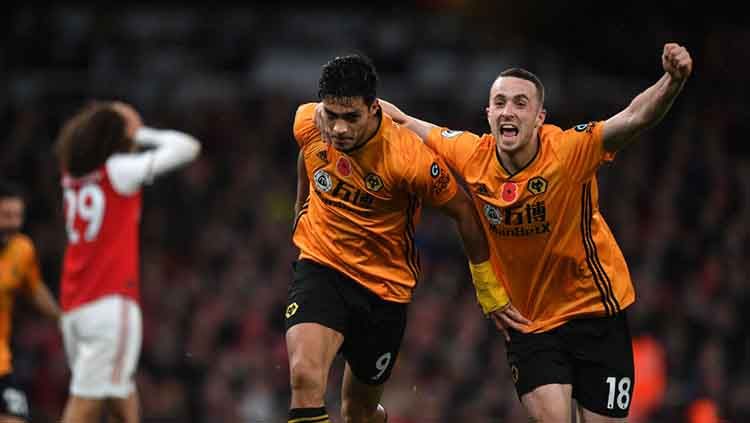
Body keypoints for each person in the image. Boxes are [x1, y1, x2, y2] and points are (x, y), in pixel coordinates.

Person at [378, 43, 692, 422]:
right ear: (489, 113)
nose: (509, 110)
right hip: (531, 324)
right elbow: (407, 122)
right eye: (500, 102)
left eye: (520, 103)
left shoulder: (569, 152)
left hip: (595, 312)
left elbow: (634, 117)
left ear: (539, 117)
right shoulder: (471, 154)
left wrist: (672, 81)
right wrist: (334, 106)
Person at [287, 53, 529, 423]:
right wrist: (301, 209)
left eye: (351, 117)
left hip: (384, 290)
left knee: (359, 412)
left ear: (373, 110)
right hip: (322, 267)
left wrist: (487, 286)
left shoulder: (409, 160)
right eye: (332, 115)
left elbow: (464, 210)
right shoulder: (308, 120)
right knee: (305, 377)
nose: (338, 129)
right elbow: (308, 154)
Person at [55, 101, 201, 423]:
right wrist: (143, 133)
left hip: (74, 308)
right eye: (132, 122)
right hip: (109, 304)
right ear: (120, 133)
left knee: (120, 390)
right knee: (85, 402)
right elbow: (187, 147)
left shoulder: (72, 174)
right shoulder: (118, 170)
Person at [0, 181, 61, 423]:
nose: (13, 223)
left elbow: (33, 288)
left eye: (18, 216)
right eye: (5, 215)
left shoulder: (22, 250)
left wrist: (62, 319)